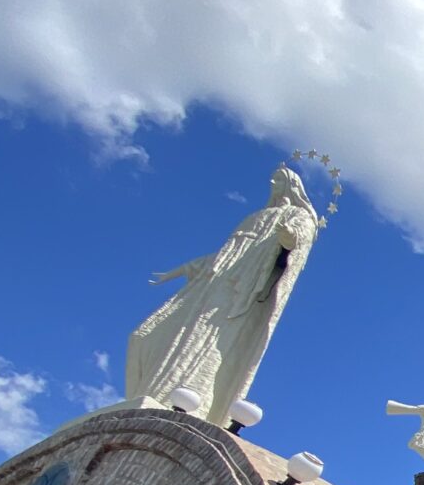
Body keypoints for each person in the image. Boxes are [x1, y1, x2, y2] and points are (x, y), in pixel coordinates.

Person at [124, 166, 318, 425]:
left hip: (241, 295)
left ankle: (189, 400)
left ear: (293, 187)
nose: (273, 182)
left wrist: (289, 238)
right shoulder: (256, 216)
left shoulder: (299, 215)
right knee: (147, 336)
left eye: (280, 180)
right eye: (273, 179)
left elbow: (296, 244)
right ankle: (156, 393)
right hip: (213, 287)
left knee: (206, 344)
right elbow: (222, 257)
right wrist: (175, 272)